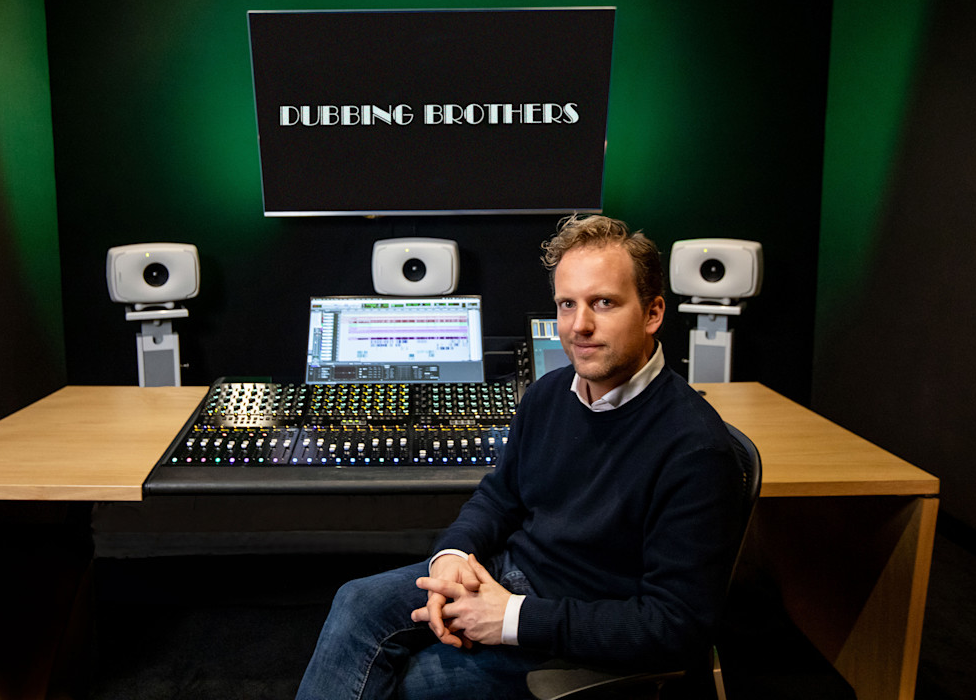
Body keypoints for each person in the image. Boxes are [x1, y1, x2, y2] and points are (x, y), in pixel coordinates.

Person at [295, 214, 740, 700]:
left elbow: (676, 626)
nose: (580, 325)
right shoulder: (549, 393)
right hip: (509, 576)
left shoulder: (695, 448)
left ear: (652, 313)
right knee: (355, 600)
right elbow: (499, 496)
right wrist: (453, 555)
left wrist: (512, 618)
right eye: (567, 304)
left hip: (576, 631)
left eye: (603, 303)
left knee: (401, 683)